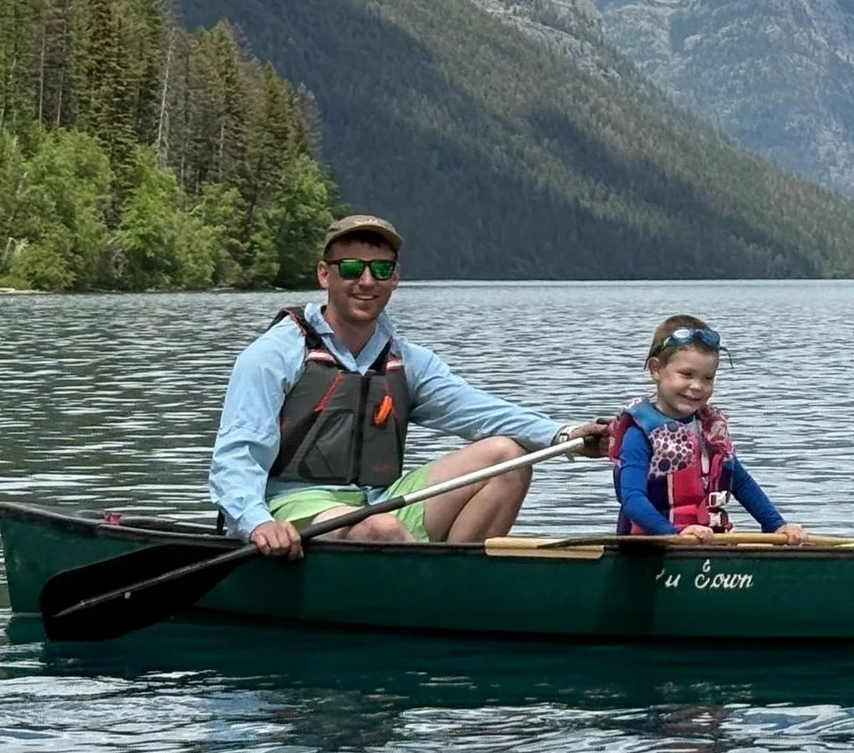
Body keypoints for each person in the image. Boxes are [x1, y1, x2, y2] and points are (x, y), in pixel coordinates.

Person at [208, 214, 602, 559]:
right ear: (324, 274)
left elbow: (482, 412)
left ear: (394, 278)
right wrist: (256, 522)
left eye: (380, 270)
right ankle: (425, 590)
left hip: (377, 501)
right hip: (294, 505)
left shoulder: (406, 360)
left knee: (509, 458)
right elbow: (237, 455)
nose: (366, 281)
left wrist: (563, 435)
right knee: (381, 529)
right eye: (350, 268)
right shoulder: (274, 354)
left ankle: (451, 583)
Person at [610, 315, 806, 542]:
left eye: (708, 378)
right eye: (686, 374)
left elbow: (740, 483)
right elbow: (632, 499)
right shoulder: (639, 434)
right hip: (652, 547)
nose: (697, 386)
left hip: (708, 543)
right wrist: (675, 534)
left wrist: (776, 525)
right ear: (656, 370)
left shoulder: (709, 431)